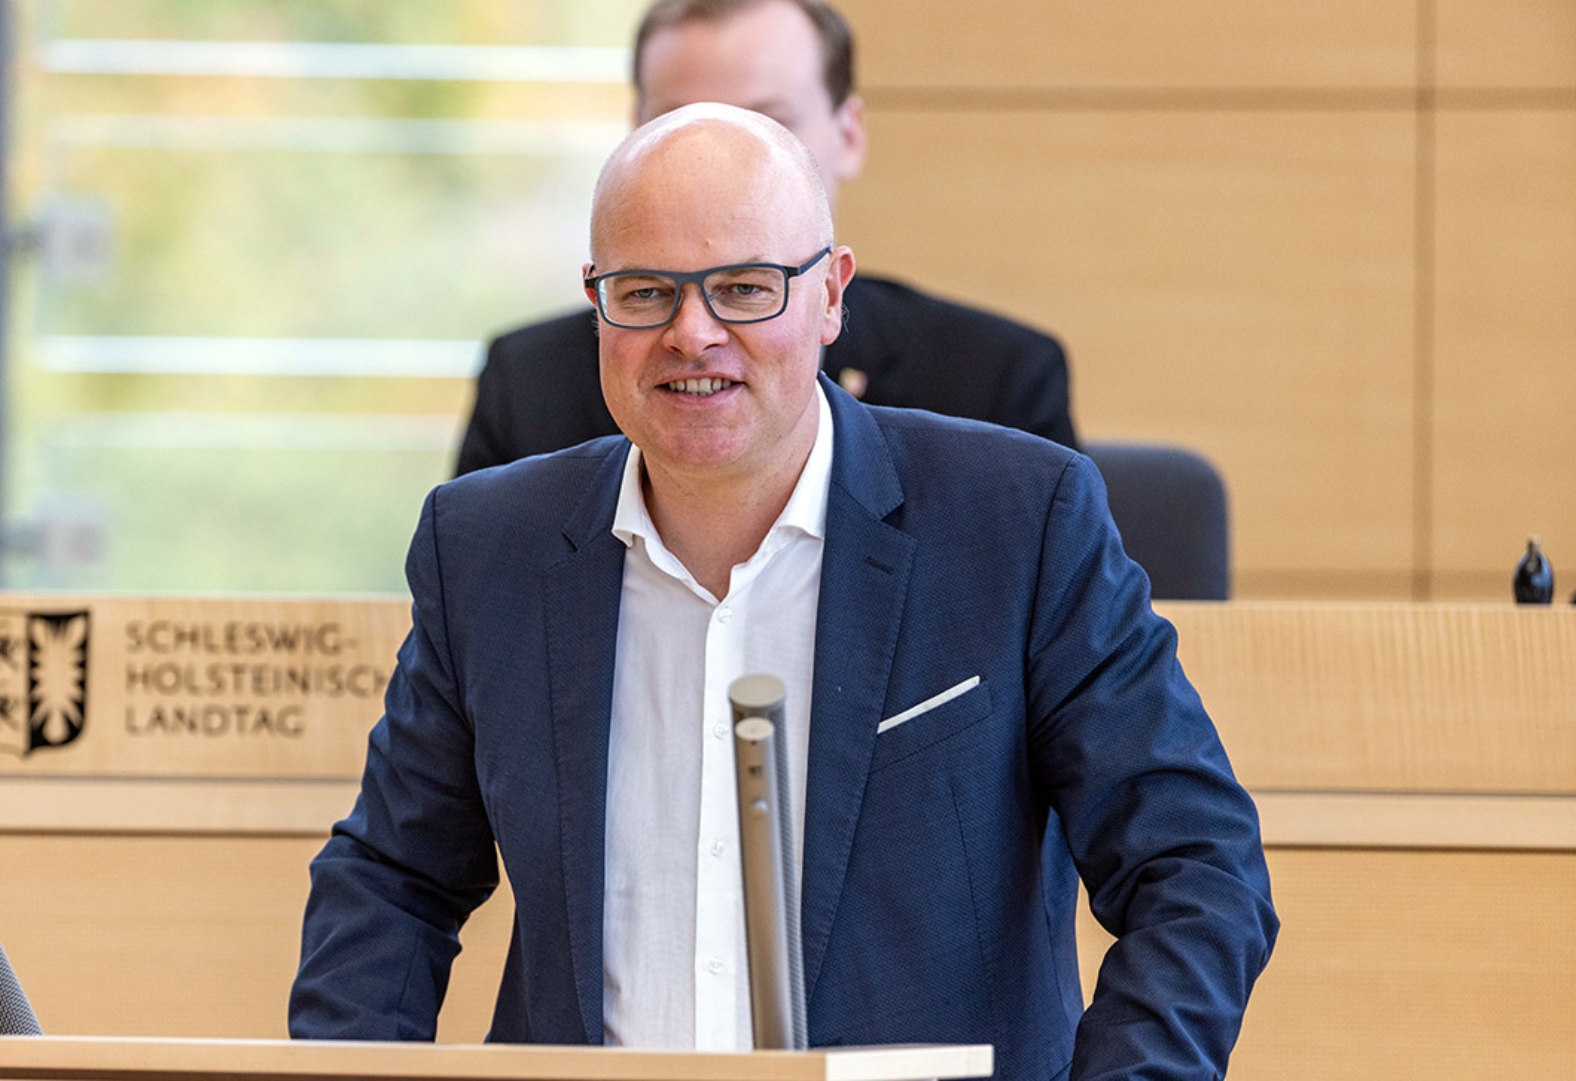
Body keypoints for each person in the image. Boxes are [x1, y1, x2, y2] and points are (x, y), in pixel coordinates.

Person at [291, 105, 1276, 1080]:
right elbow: (395, 878)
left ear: (831, 293)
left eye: (745, 288)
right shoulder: (488, 546)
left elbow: (1195, 867)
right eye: (645, 293)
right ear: (595, 300)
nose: (693, 333)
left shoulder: (1018, 521)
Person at [455, 0, 1077, 478]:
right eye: (682, 123)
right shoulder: (529, 386)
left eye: (769, 121)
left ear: (849, 134)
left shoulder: (994, 380)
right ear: (632, 135)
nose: (722, 157)